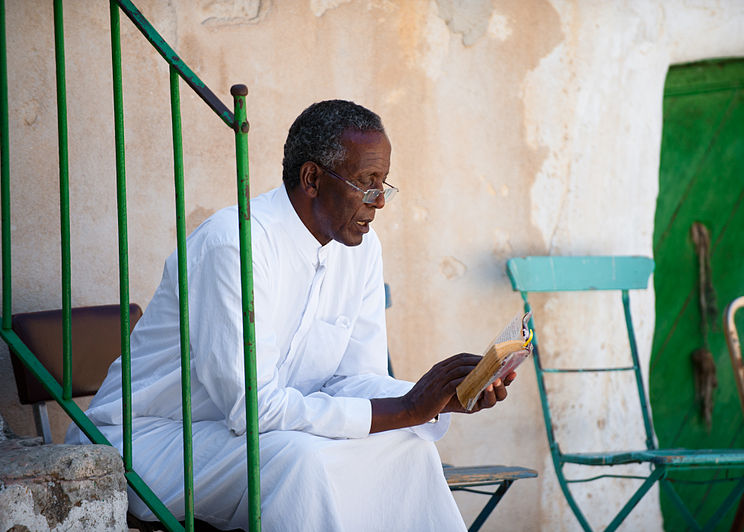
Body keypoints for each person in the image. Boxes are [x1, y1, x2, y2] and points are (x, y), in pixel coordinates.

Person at [67, 100, 514, 531]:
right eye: (367, 182)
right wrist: (405, 408)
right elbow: (253, 409)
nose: (378, 202)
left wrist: (433, 399)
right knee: (300, 461)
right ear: (312, 178)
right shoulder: (235, 244)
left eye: (385, 184)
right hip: (149, 441)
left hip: (245, 435)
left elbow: (353, 379)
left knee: (407, 446)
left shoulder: (361, 249)